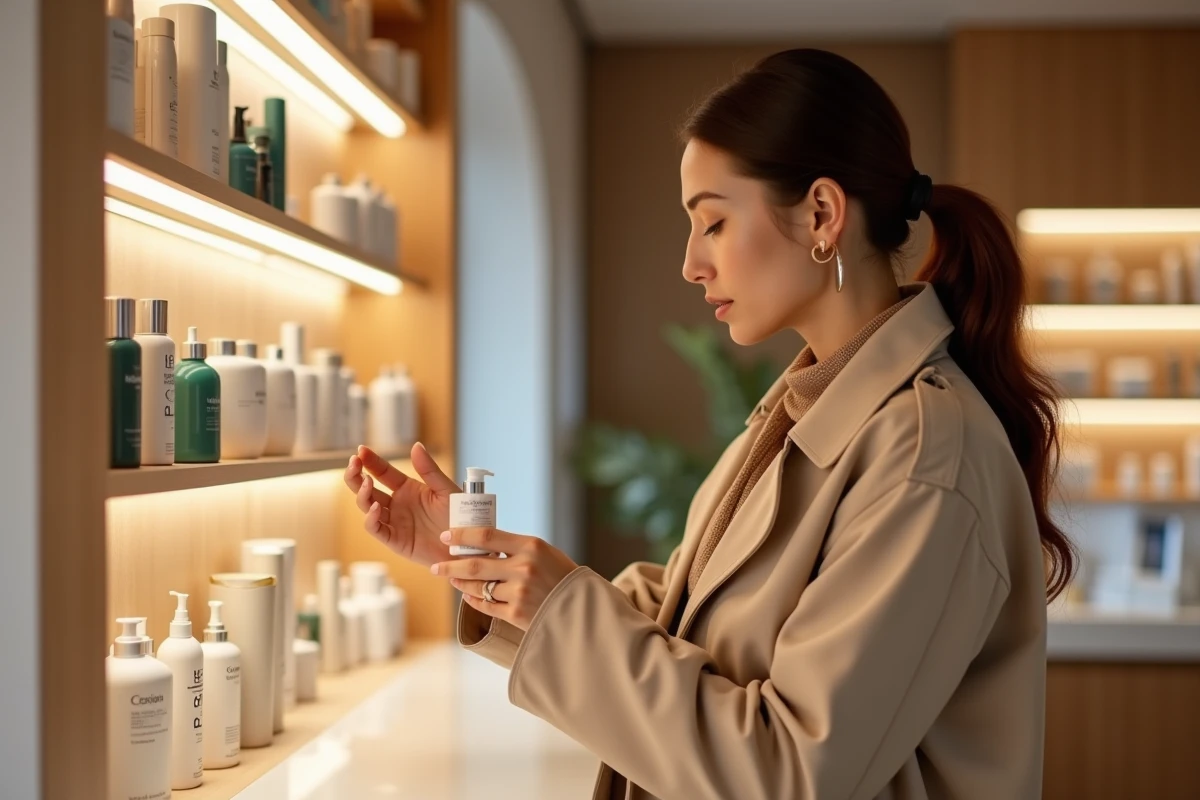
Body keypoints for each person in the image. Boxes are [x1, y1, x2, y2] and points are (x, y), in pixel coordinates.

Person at [343, 48, 1073, 800]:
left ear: (821, 214)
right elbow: (688, 621)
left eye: (713, 223)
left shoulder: (926, 454)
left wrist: (556, 603)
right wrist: (485, 568)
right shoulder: (805, 414)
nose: (692, 263)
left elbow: (790, 773)